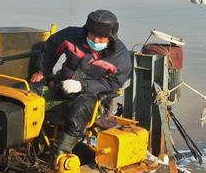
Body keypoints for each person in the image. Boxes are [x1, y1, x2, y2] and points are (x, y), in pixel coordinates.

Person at [30, 9, 132, 154]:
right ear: (86, 30)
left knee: (79, 110)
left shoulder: (120, 58)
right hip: (59, 85)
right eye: (93, 35)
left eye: (101, 38)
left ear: (111, 37)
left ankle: (61, 155)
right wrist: (41, 71)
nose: (96, 40)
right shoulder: (70, 36)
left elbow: (113, 84)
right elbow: (50, 47)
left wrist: (82, 86)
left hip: (91, 97)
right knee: (24, 92)